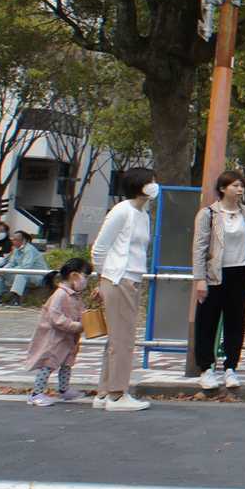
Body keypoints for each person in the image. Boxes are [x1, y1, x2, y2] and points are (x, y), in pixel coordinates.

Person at [191, 170, 245, 390]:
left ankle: (231, 367)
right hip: (215, 274)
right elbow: (199, 248)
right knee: (207, 321)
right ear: (222, 188)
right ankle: (206, 369)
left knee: (235, 322)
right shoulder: (208, 214)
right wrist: (199, 279)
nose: (239, 189)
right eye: (235, 185)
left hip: (240, 272)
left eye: (241, 185)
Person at [90, 166, 156, 412]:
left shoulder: (143, 213)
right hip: (119, 279)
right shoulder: (122, 211)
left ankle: (104, 393)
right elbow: (100, 248)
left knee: (117, 339)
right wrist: (103, 277)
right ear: (139, 185)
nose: (155, 186)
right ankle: (117, 395)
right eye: (151, 181)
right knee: (123, 339)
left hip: (131, 279)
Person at [23, 259, 94, 406]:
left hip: (67, 338)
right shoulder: (60, 294)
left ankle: (64, 389)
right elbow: (56, 318)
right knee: (48, 364)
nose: (86, 281)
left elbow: (81, 311)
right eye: (85, 276)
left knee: (67, 363)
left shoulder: (74, 295)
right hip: (54, 339)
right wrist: (76, 326)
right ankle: (36, 394)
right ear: (74, 275)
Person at [0, 230, 47, 305]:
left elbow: (26, 267)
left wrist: (10, 270)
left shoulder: (29, 250)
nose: (13, 242)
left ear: (23, 241)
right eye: (13, 239)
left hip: (37, 276)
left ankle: (15, 298)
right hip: (23, 274)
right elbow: (11, 263)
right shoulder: (16, 249)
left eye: (16, 240)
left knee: (20, 275)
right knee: (0, 274)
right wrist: (3, 270)